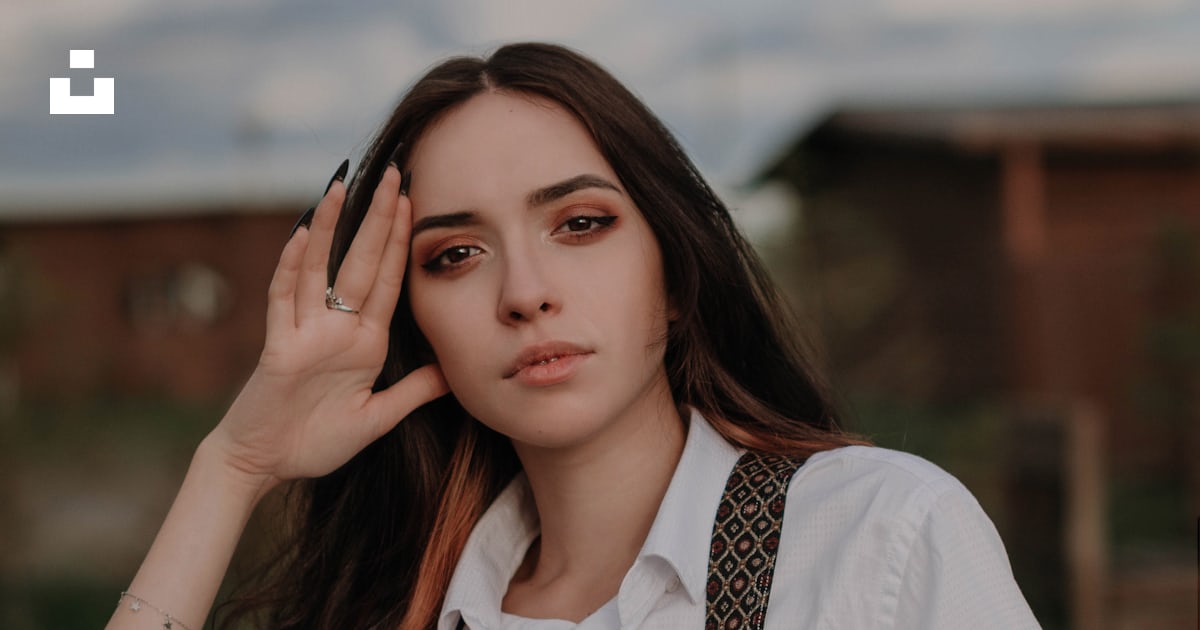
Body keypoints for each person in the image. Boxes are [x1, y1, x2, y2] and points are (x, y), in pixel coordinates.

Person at [107, 42, 1039, 630]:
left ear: (674, 272)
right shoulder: (408, 606)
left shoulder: (875, 534)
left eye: (581, 225)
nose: (526, 294)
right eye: (458, 254)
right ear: (416, 323)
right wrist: (233, 467)